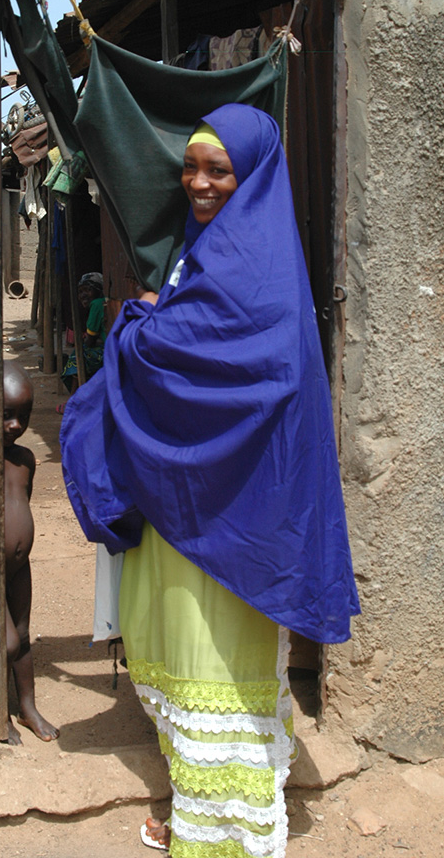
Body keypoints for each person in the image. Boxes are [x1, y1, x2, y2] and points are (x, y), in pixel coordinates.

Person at [60, 104, 360, 857]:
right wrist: (155, 322)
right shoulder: (219, 245)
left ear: (251, 173)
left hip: (235, 508)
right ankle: (202, 807)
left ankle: (221, 833)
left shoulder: (251, 263)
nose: (197, 182)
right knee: (189, 650)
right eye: (190, 166)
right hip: (198, 495)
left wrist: (133, 329)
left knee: (215, 661)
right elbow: (198, 344)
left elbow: (222, 364)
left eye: (216, 169)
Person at [3, 362, 59, 745]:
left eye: (24, 415)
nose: (16, 425)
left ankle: (27, 707)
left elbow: (24, 503)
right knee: (4, 641)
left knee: (22, 635)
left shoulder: (25, 460)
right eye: (7, 415)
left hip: (20, 569)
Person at [58, 272, 106, 410]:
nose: (83, 295)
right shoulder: (102, 303)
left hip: (109, 352)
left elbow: (90, 341)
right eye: (81, 291)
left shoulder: (97, 305)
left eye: (88, 290)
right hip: (110, 348)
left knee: (78, 355)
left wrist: (86, 341)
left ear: (98, 291)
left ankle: (73, 400)